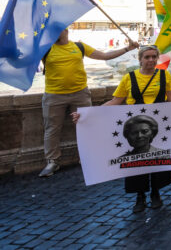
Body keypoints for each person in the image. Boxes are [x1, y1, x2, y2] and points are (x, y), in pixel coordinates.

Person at [72, 45, 171, 212]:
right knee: (136, 161)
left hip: (156, 125)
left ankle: (156, 193)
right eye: (147, 57)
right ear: (140, 59)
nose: (151, 60)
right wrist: (88, 114)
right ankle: (140, 196)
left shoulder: (164, 75)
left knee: (158, 159)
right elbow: (115, 101)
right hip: (136, 126)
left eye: (154, 57)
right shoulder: (129, 78)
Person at [39, 29, 138, 177]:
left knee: (86, 126)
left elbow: (104, 56)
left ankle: (86, 158)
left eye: (58, 29)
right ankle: (52, 161)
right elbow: (24, 59)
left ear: (66, 30)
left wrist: (127, 49)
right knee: (52, 129)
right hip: (54, 95)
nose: (54, 32)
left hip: (80, 94)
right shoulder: (45, 49)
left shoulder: (79, 46)